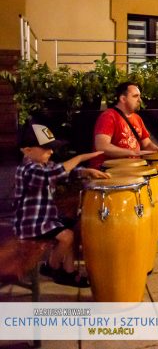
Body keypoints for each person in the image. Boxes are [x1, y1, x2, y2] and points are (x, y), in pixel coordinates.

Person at [14, 122, 108, 287]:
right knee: (67, 236)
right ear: (27, 150)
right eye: (46, 148)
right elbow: (53, 174)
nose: (51, 151)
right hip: (31, 223)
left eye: (51, 147)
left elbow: (62, 173)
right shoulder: (27, 169)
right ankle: (51, 267)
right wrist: (79, 158)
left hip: (46, 218)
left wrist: (84, 171)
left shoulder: (43, 164)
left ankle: (68, 271)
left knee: (73, 228)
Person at [91, 82, 158, 169]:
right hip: (108, 172)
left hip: (131, 169)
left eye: (139, 96)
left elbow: (147, 144)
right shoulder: (108, 116)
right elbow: (102, 146)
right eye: (135, 96)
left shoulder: (137, 118)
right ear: (123, 99)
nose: (140, 100)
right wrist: (132, 153)